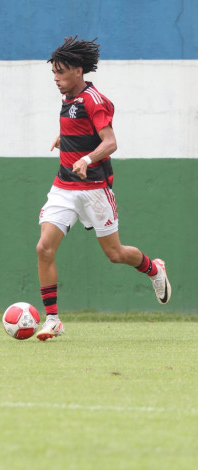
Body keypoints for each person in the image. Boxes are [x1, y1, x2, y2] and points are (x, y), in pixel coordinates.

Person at [35, 36, 171, 341]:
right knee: (44, 248)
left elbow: (110, 142)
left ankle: (154, 268)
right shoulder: (68, 96)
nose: (56, 78)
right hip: (63, 187)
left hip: (95, 189)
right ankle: (53, 319)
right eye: (53, 72)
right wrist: (64, 139)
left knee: (115, 254)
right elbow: (78, 126)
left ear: (78, 70)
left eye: (61, 72)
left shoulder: (94, 100)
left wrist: (86, 157)